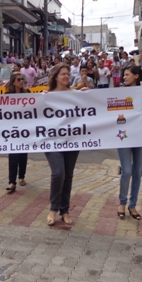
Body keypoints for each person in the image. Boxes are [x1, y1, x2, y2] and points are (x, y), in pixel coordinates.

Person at [116, 65, 142, 221]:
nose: (124, 77)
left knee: (137, 172)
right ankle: (122, 203)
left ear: (136, 76)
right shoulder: (120, 92)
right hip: (124, 136)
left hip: (140, 136)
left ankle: (132, 205)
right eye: (124, 75)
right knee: (126, 171)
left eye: (127, 74)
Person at [45, 63, 84, 227]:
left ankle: (65, 210)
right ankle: (53, 208)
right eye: (63, 74)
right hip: (52, 141)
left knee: (68, 175)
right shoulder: (46, 96)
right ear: (55, 77)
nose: (66, 76)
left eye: (68, 73)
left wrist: (87, 95)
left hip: (72, 140)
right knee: (58, 173)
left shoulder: (75, 94)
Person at [5, 72, 30, 192]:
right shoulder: (8, 95)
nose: (21, 82)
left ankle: (21, 177)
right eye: (19, 79)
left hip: (24, 128)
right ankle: (12, 182)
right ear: (13, 82)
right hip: (12, 129)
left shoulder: (27, 93)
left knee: (23, 154)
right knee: (13, 155)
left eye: (22, 79)